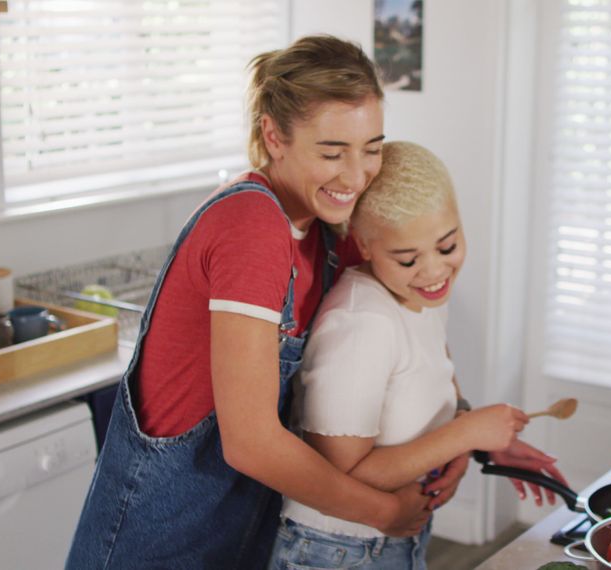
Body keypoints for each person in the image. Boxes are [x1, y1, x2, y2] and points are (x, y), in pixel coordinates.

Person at [65, 35, 432, 569]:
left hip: (242, 529)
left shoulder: (325, 230)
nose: (356, 176)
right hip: (160, 541)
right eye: (332, 152)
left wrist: (468, 425)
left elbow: (415, 303)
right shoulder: (252, 225)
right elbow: (252, 444)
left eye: (371, 148)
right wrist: (381, 511)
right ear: (273, 136)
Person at [268, 142, 566, 570]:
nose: (433, 271)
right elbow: (342, 475)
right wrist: (467, 434)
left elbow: (433, 370)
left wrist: (474, 433)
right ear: (364, 246)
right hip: (334, 549)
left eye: (447, 246)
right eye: (407, 259)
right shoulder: (361, 325)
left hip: (391, 536)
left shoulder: (419, 294)